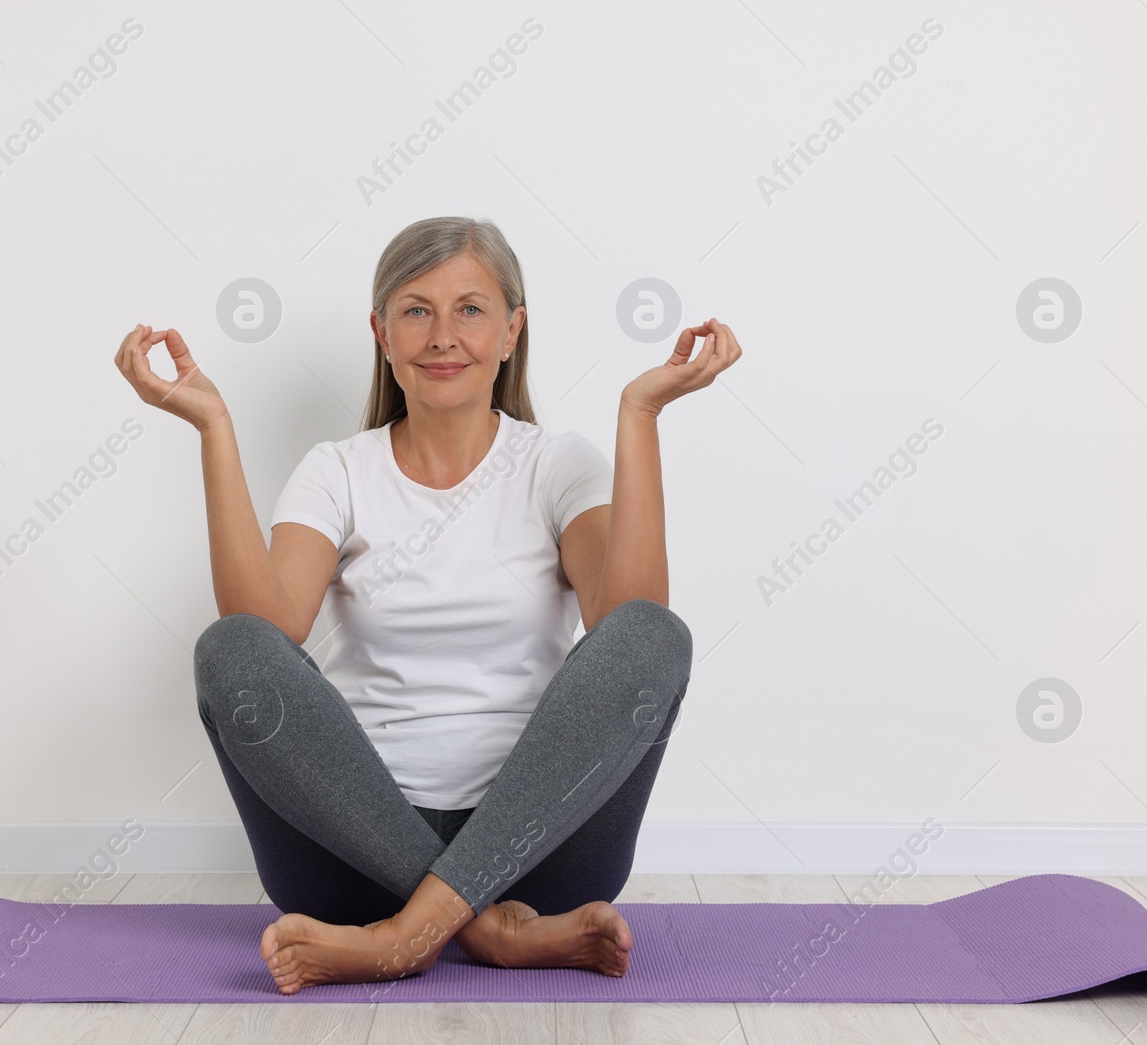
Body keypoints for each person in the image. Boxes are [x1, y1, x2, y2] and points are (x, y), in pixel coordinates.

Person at [113, 215, 741, 995]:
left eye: (470, 309)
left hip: (543, 855)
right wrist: (212, 423)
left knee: (654, 635)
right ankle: (489, 933)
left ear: (512, 331)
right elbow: (266, 632)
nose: (443, 335)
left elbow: (632, 621)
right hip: (349, 863)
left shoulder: (556, 464)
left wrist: (640, 415)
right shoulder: (337, 470)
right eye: (416, 310)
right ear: (382, 333)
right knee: (227, 650)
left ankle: (408, 937)